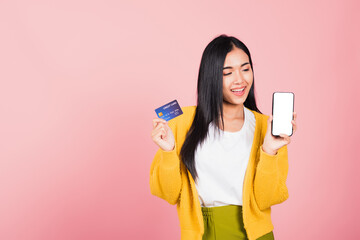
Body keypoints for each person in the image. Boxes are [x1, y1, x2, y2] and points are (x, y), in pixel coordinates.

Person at [150, 34, 297, 240]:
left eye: (246, 69)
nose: (240, 80)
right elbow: (167, 194)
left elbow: (268, 198)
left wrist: (269, 151)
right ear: (210, 76)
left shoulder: (267, 127)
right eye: (227, 72)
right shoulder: (180, 122)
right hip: (201, 233)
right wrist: (168, 153)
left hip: (255, 234)